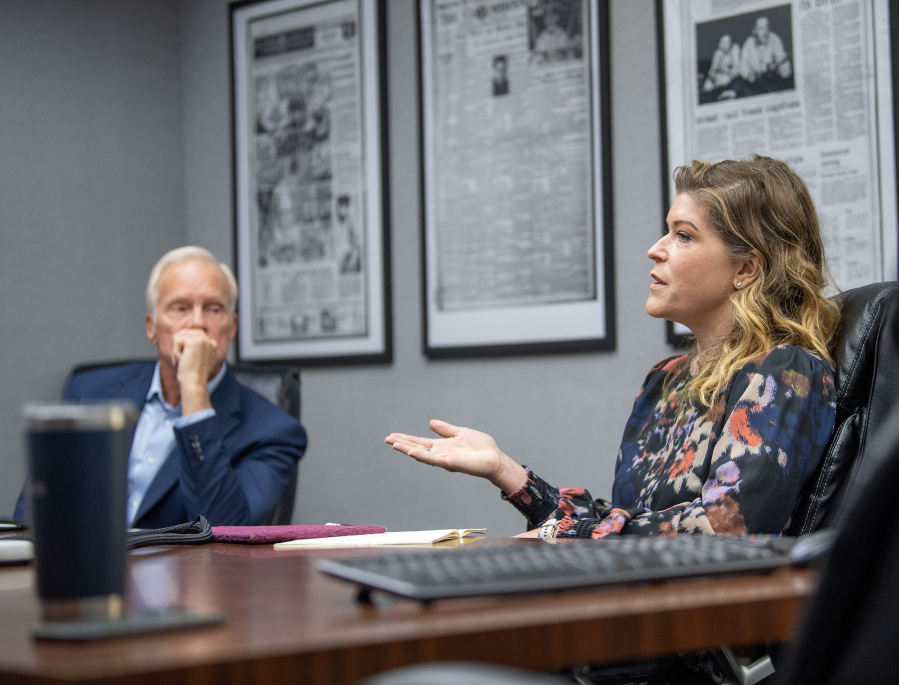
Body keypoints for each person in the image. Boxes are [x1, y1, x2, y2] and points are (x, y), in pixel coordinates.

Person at [386, 155, 839, 543]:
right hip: (632, 611)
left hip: (706, 635)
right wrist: (507, 472)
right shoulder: (666, 379)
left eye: (683, 235)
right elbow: (626, 531)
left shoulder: (784, 372)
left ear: (745, 268)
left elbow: (724, 529)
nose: (654, 250)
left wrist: (567, 535)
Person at [14, 247, 307, 528]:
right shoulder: (90, 390)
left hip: (184, 578)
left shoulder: (274, 431)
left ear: (231, 328)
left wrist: (194, 389)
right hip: (83, 570)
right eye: (180, 308)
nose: (196, 323)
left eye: (213, 309)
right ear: (152, 327)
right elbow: (35, 510)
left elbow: (223, 530)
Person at [740, 16, 792, 84]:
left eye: (767, 27)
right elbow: (742, 64)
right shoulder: (748, 43)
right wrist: (748, 74)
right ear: (754, 31)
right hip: (754, 82)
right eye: (761, 28)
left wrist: (784, 68)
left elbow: (781, 58)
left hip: (772, 80)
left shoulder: (774, 39)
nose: (765, 32)